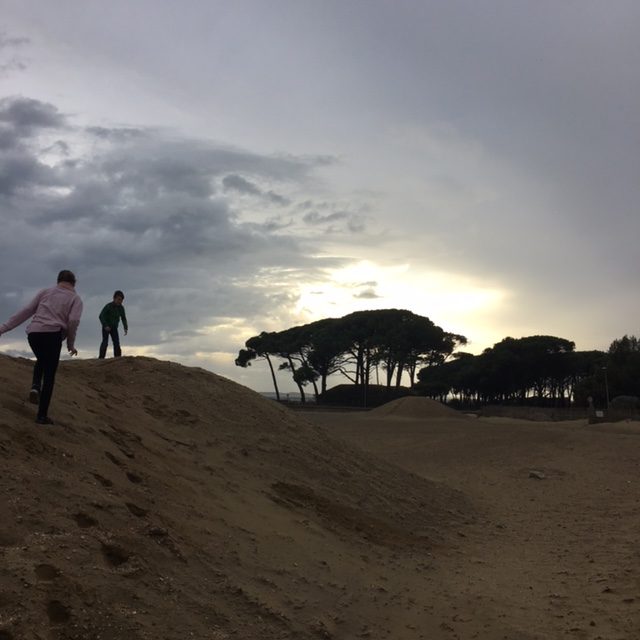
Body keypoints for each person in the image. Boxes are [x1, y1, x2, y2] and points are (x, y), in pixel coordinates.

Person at [0, 270, 83, 425]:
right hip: (52, 336)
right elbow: (73, 321)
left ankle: (36, 386)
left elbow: (26, 311)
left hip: (34, 334)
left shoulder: (45, 292)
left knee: (42, 360)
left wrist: (3, 328)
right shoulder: (75, 299)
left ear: (58, 280)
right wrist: (70, 344)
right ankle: (41, 416)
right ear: (74, 283)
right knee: (50, 375)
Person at [98, 290, 128, 358]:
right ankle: (101, 358)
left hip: (114, 327)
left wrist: (125, 328)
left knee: (116, 343)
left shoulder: (121, 308)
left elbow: (123, 318)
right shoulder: (108, 306)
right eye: (118, 299)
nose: (120, 301)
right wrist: (105, 325)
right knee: (105, 342)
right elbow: (101, 316)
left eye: (121, 300)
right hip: (106, 327)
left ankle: (118, 358)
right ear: (114, 298)